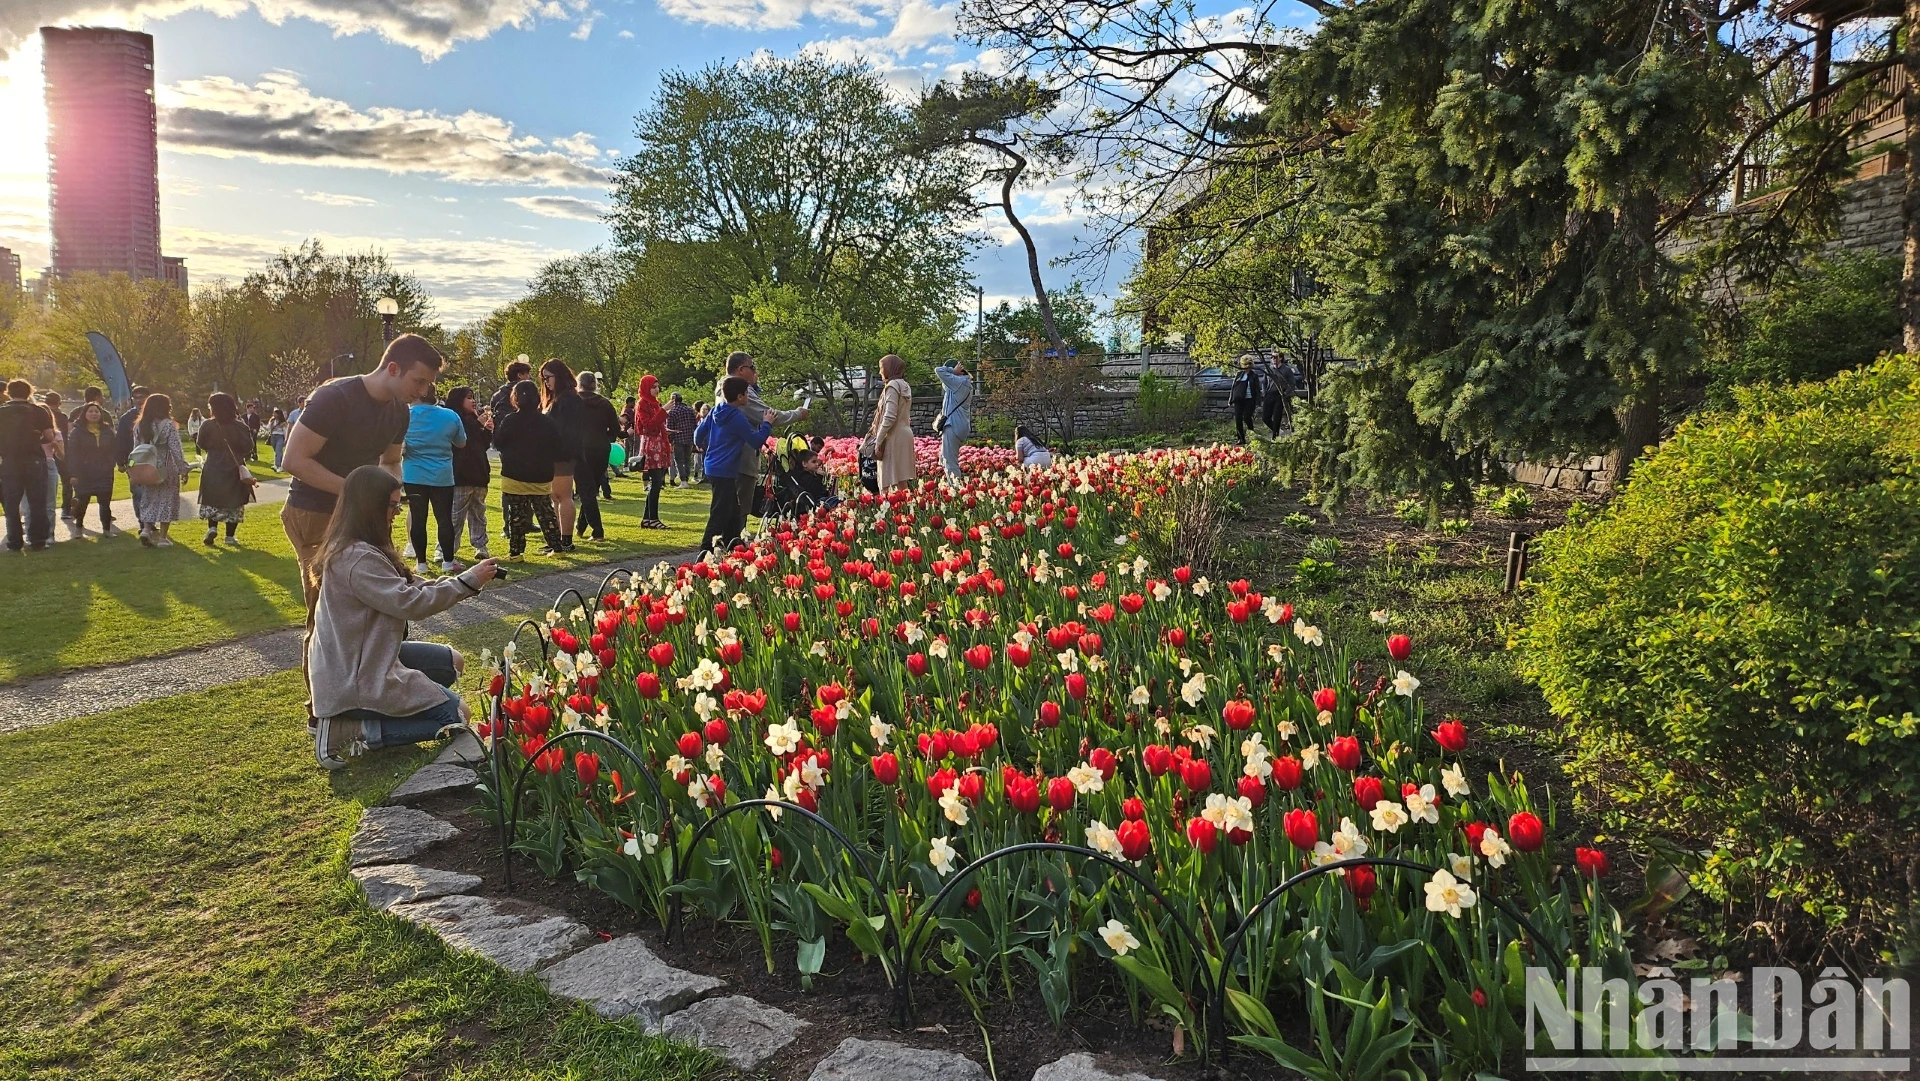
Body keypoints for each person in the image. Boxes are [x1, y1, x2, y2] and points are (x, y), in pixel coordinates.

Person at [282, 334, 444, 727]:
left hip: (362, 514)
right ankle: (323, 716)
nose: (423, 392)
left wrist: (390, 496)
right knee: (326, 615)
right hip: (315, 512)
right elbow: (293, 459)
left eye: (427, 384)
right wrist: (356, 492)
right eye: (418, 381)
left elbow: (390, 461)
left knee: (379, 603)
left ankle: (375, 692)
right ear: (393, 368)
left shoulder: (399, 412)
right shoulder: (335, 398)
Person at [307, 464, 498, 769]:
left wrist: (466, 581)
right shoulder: (357, 558)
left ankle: (387, 711)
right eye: (393, 505)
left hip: (365, 657)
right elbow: (410, 603)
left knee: (452, 663)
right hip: (353, 675)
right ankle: (352, 729)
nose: (397, 512)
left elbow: (412, 586)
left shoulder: (363, 546)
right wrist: (466, 582)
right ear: (370, 507)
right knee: (457, 717)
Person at [716, 351, 806, 538]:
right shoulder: (738, 391)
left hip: (724, 460)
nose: (755, 371)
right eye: (752, 367)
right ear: (741, 370)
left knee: (729, 507)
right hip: (741, 458)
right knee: (740, 507)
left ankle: (728, 543)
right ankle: (734, 546)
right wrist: (797, 413)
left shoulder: (723, 387)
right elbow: (767, 415)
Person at [694, 376, 772, 552]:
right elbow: (755, 441)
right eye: (746, 394)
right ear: (740, 397)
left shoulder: (715, 410)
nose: (748, 397)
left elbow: (698, 434)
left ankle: (733, 543)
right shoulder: (737, 417)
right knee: (720, 510)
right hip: (725, 469)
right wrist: (767, 424)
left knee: (733, 509)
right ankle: (706, 548)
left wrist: (702, 445)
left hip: (713, 466)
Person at [493, 379, 565, 559]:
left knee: (516, 516)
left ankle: (516, 553)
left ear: (515, 398)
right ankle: (557, 548)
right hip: (540, 474)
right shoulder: (547, 422)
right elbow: (557, 447)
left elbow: (499, 444)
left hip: (514, 474)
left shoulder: (510, 420)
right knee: (546, 513)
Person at [402, 386, 468, 575]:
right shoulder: (450, 415)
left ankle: (421, 563)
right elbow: (461, 443)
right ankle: (448, 560)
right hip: (442, 474)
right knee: (444, 518)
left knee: (418, 517)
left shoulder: (405, 415)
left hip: (414, 474)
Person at [195, 393, 257, 547]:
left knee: (212, 498)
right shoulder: (240, 426)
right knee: (234, 500)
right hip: (234, 465)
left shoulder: (207, 425)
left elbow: (200, 443)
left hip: (213, 465)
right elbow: (248, 446)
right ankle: (230, 536)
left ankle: (212, 527)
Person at [0, 380, 55, 552]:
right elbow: (50, 436)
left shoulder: (2, 412)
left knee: (11, 503)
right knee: (37, 502)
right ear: (29, 392)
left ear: (8, 392)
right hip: (34, 459)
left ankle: (15, 541)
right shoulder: (38, 411)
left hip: (9, 460)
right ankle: (38, 540)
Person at [130, 392, 190, 547]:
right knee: (167, 500)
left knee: (148, 499)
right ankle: (163, 538)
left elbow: (136, 448)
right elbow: (176, 449)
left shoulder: (139, 425)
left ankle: (146, 529)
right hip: (165, 465)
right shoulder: (169, 425)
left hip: (146, 466)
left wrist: (132, 467)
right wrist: (183, 469)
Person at [538, 358, 583, 551]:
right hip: (553, 454)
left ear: (559, 376)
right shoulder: (557, 399)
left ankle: (566, 540)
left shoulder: (569, 399)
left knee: (563, 496)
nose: (546, 381)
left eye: (548, 377)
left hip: (563, 454)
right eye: (543, 378)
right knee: (556, 497)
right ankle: (557, 539)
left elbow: (567, 430)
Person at [573, 370, 622, 543]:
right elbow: (615, 430)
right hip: (601, 449)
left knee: (585, 490)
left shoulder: (573, 402)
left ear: (578, 383)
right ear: (595, 384)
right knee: (590, 489)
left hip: (580, 449)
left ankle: (598, 530)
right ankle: (580, 528)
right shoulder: (605, 404)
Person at [446, 386, 492, 561]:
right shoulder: (454, 420)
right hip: (460, 476)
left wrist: (487, 431)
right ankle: (446, 549)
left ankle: (481, 546)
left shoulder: (474, 419)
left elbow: (482, 445)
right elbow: (462, 441)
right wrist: (478, 425)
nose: (473, 401)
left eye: (473, 397)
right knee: (455, 515)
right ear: (458, 400)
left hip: (479, 474)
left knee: (478, 514)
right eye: (468, 398)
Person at [64, 400, 118, 536]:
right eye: (90, 411)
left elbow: (113, 449)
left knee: (105, 502)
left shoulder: (107, 431)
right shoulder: (77, 432)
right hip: (84, 473)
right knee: (82, 501)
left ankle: (106, 530)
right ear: (84, 414)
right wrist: (73, 473)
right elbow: (72, 454)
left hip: (104, 472)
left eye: (96, 411)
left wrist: (111, 463)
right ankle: (78, 527)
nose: (94, 414)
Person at [864, 353, 916, 492]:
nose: (881, 371)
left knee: (887, 482)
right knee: (901, 483)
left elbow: (889, 416)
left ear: (890, 368)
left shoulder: (892, 386)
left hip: (893, 436)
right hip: (905, 434)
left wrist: (879, 440)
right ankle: (905, 510)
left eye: (882, 367)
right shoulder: (905, 385)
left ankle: (892, 512)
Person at [632, 375, 671, 529]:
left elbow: (656, 423)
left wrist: (665, 430)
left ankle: (647, 519)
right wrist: (664, 410)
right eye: (653, 387)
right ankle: (652, 518)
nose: (657, 389)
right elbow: (647, 425)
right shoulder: (642, 403)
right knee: (656, 482)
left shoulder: (654, 403)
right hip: (652, 445)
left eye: (657, 386)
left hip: (659, 443)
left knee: (657, 481)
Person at [64, 386, 104, 521]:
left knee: (83, 492)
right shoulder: (102, 412)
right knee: (89, 493)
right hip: (86, 461)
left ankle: (77, 508)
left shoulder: (75, 411)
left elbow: (69, 430)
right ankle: (79, 514)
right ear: (97, 396)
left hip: (91, 462)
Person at [934, 358, 973, 479]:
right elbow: (945, 384)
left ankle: (955, 491)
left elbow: (938, 370)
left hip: (953, 425)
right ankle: (950, 483)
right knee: (945, 457)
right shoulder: (965, 383)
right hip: (960, 424)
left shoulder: (958, 382)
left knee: (950, 461)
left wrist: (952, 371)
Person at [665, 391, 696, 486]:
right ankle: (686, 477)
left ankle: (683, 481)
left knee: (679, 461)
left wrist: (670, 441)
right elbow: (695, 425)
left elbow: (669, 428)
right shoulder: (690, 410)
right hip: (689, 438)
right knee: (687, 460)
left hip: (678, 439)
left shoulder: (672, 412)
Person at [1229, 355, 1262, 446]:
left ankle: (1252, 435)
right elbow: (1233, 388)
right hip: (1239, 400)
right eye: (1245, 364)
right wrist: (1231, 399)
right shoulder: (1239, 374)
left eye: (1248, 364)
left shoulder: (1254, 375)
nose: (1246, 366)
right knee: (1238, 419)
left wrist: (1258, 402)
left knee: (1247, 417)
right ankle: (1241, 438)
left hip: (1249, 399)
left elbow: (1257, 389)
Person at [116, 385, 149, 472]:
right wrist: (120, 462)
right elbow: (120, 440)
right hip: (132, 459)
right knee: (134, 480)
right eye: (135, 398)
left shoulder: (156, 416)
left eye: (141, 397)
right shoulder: (126, 418)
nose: (138, 400)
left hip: (152, 457)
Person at [490, 357, 531, 421]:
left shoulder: (496, 396)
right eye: (527, 374)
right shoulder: (527, 394)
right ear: (519, 375)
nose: (530, 377)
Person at [689, 401, 709, 484]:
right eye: (702, 409)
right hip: (701, 444)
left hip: (708, 444)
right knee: (700, 461)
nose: (703, 411)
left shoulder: (710, 420)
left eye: (705, 409)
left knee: (705, 461)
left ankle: (706, 477)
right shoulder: (699, 419)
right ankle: (703, 476)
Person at [620, 393, 638, 477]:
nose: (634, 404)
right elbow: (634, 420)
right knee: (633, 448)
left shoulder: (624, 409)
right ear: (629, 402)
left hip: (624, 431)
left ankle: (626, 465)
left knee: (627, 449)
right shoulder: (630, 411)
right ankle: (632, 464)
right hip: (630, 431)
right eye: (633, 402)